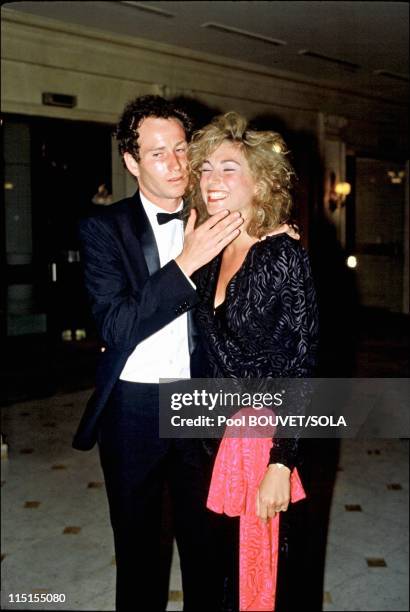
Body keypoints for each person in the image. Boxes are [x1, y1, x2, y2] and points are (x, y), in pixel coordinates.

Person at [72, 95, 245, 612]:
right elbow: (118, 324)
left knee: (208, 551)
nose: (175, 164)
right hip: (132, 410)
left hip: (202, 406)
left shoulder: (221, 217)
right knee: (139, 553)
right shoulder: (103, 229)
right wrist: (186, 264)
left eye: (181, 148)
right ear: (131, 162)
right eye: (156, 153)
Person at [186, 111, 319, 610]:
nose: (212, 180)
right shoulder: (210, 248)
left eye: (228, 168)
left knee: (263, 578)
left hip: (262, 444)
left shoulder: (283, 254)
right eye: (206, 169)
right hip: (210, 440)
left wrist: (283, 462)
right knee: (220, 571)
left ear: (260, 182)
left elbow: (303, 366)